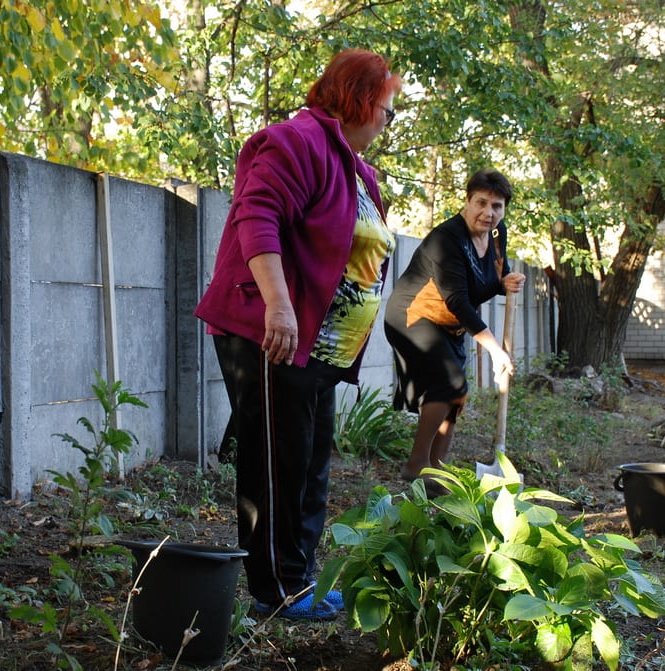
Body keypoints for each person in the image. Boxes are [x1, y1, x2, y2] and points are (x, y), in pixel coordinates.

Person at [195, 49, 402, 621]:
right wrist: (279, 308)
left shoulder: (352, 166)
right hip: (273, 334)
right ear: (359, 100)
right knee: (276, 462)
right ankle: (274, 590)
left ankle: (298, 577)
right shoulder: (296, 141)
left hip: (317, 345)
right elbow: (255, 215)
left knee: (310, 460)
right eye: (386, 108)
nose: (388, 121)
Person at [384, 168, 525, 493]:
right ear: (467, 200)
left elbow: (490, 277)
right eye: (481, 203)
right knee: (450, 384)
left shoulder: (495, 233)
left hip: (449, 325)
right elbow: (458, 300)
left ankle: (437, 471)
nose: (488, 213)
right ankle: (418, 464)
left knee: (457, 395)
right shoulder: (446, 239)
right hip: (412, 317)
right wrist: (494, 349)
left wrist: (506, 282)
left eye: (497, 206)